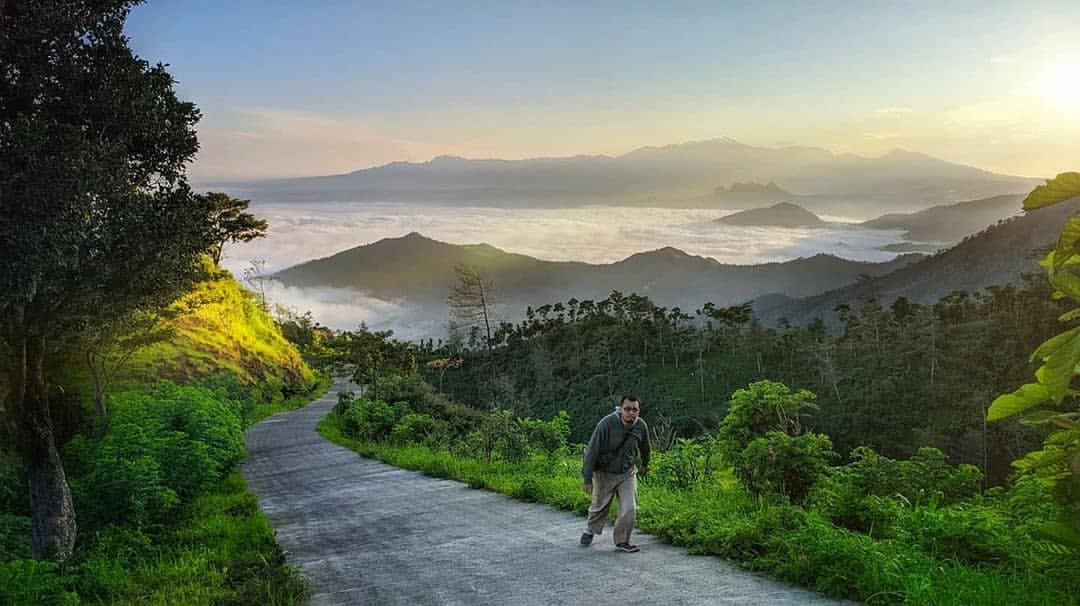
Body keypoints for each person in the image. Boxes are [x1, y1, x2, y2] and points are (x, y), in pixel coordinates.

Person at [579, 394, 651, 553]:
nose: (631, 413)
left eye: (635, 410)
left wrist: (645, 464)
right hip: (605, 473)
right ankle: (590, 530)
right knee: (599, 506)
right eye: (627, 409)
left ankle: (622, 541)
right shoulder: (606, 424)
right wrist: (587, 478)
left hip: (627, 473)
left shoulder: (641, 426)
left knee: (629, 508)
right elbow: (592, 450)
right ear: (620, 409)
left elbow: (645, 448)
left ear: (639, 411)